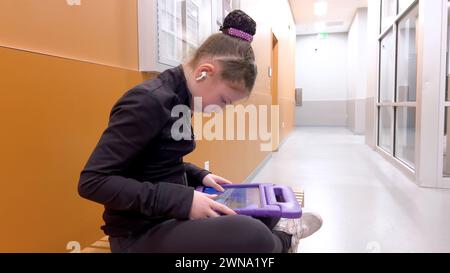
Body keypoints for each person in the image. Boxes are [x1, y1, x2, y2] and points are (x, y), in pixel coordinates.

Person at [78, 9, 322, 253]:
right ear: (204, 72)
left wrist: (199, 175)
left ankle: (275, 228)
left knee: (257, 210)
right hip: (137, 235)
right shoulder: (147, 101)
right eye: (224, 100)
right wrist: (184, 201)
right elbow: (93, 182)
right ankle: (284, 240)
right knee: (253, 233)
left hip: (167, 215)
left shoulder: (181, 97)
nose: (221, 109)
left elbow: (154, 164)